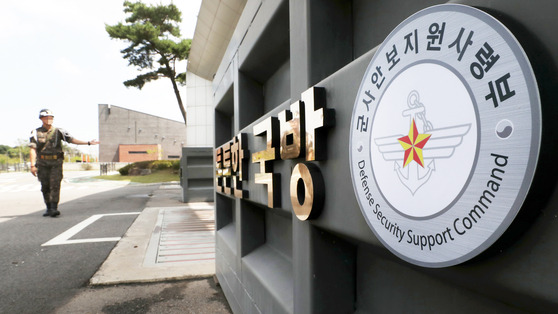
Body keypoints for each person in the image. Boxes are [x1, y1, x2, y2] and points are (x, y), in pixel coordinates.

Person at [29, 109, 100, 217]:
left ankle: (54, 208)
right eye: (46, 117)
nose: (49, 119)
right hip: (42, 163)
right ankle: (48, 208)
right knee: (45, 186)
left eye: (51, 117)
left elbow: (72, 140)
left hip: (56, 163)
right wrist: (32, 165)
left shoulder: (59, 131)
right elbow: (32, 149)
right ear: (41, 119)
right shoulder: (35, 132)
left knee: (55, 185)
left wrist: (88, 143)